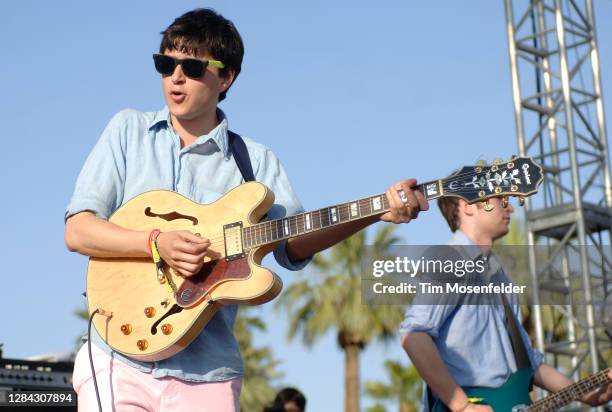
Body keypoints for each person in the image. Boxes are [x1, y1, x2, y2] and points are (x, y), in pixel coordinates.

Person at [64, 8, 428, 412]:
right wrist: (156, 242)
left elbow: (292, 246)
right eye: (166, 64)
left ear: (226, 77)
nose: (176, 76)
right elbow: (78, 230)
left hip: (208, 375)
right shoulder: (128, 131)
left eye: (192, 65)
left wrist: (375, 211)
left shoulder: (254, 162)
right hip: (117, 360)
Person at [400, 196, 612, 411]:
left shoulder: (500, 278)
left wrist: (586, 393)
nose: (510, 208)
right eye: (500, 200)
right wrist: (462, 405)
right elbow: (414, 336)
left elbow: (531, 363)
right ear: (467, 206)